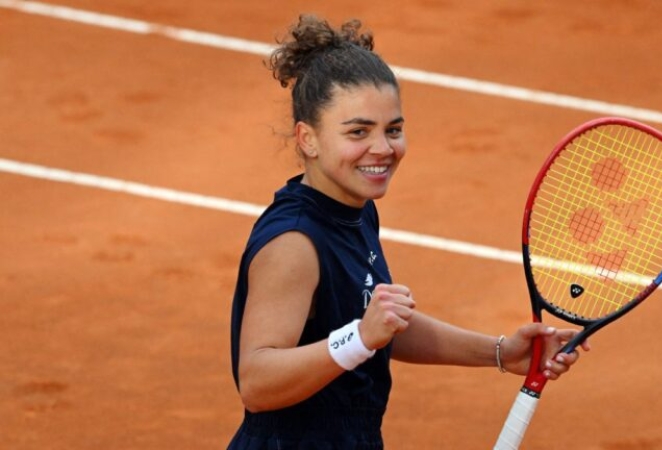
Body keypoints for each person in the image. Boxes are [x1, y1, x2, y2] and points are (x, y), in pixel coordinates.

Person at [227, 15, 589, 450]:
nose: (383, 148)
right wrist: (360, 338)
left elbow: (381, 322)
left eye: (393, 130)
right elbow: (258, 383)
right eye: (358, 131)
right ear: (308, 139)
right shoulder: (294, 244)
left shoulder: (354, 209)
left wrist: (498, 351)